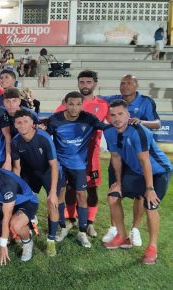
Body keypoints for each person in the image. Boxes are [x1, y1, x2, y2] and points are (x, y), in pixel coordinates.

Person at [103, 99, 171, 265]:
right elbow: (116, 158)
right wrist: (118, 182)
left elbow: (145, 161)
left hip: (158, 171)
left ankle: (152, 247)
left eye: (120, 114)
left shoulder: (139, 131)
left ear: (128, 115)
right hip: (136, 171)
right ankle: (122, 237)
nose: (117, 118)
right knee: (113, 196)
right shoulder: (109, 132)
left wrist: (150, 188)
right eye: (113, 115)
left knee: (150, 205)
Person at [100, 74, 161, 246]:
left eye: (129, 83)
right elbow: (95, 98)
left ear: (136, 85)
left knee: (140, 195)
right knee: (114, 189)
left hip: (137, 155)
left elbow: (157, 123)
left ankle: (135, 230)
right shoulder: (115, 99)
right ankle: (115, 229)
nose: (125, 86)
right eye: (122, 83)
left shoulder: (146, 101)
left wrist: (140, 122)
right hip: (119, 154)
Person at [46, 91, 106, 248]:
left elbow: (106, 127)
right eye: (71, 104)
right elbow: (45, 137)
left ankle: (82, 232)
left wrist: (125, 122)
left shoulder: (89, 118)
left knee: (81, 195)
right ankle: (63, 228)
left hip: (78, 165)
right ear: (65, 104)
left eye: (78, 104)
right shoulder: (55, 119)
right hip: (59, 164)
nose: (74, 108)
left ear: (82, 104)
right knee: (59, 194)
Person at [55, 70, 108, 238]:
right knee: (70, 188)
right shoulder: (69, 103)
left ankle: (89, 222)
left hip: (92, 155)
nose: (85, 85)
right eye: (82, 82)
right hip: (71, 156)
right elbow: (55, 120)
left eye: (88, 82)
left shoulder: (103, 105)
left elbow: (111, 122)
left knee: (91, 189)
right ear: (78, 84)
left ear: (95, 84)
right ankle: (71, 219)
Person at [11, 109, 61, 256]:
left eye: (26, 121)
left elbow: (53, 165)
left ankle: (51, 241)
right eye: (19, 122)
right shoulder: (15, 142)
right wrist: (15, 188)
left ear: (33, 123)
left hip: (48, 172)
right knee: (23, 201)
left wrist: (52, 192)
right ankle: (29, 227)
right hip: (31, 173)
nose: (22, 125)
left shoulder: (44, 138)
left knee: (52, 203)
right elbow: (17, 167)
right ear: (15, 124)